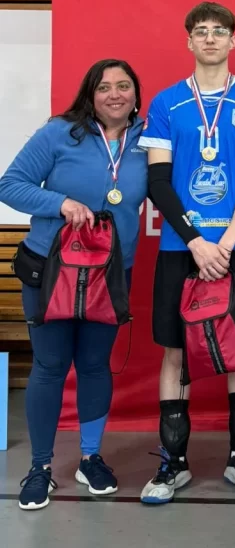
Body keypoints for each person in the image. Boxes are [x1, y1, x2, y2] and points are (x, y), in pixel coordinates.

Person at [138, 2, 235, 504]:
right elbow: (158, 180)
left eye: (220, 31)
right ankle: (173, 464)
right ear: (188, 41)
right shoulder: (168, 103)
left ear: (233, 41)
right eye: (201, 31)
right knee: (176, 350)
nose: (211, 38)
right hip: (182, 246)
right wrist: (196, 240)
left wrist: (227, 244)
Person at [0, 59, 147, 510]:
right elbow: (10, 185)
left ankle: (90, 457)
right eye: (105, 88)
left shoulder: (148, 142)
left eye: (124, 86)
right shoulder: (59, 133)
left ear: (136, 95)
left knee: (94, 365)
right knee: (48, 367)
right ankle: (40, 468)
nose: (115, 94)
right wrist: (60, 201)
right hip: (51, 272)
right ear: (90, 94)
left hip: (110, 275)